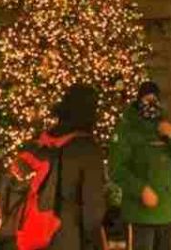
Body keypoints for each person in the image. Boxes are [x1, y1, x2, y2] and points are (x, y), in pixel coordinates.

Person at [109, 81, 171, 250]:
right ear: (138, 101)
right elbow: (116, 169)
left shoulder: (165, 126)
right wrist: (141, 189)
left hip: (166, 214)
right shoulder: (126, 129)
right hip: (139, 216)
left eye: (154, 100)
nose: (151, 105)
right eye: (146, 100)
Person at [46, 84, 108, 250]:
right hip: (68, 237)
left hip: (34, 235)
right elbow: (92, 213)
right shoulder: (87, 149)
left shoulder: (42, 141)